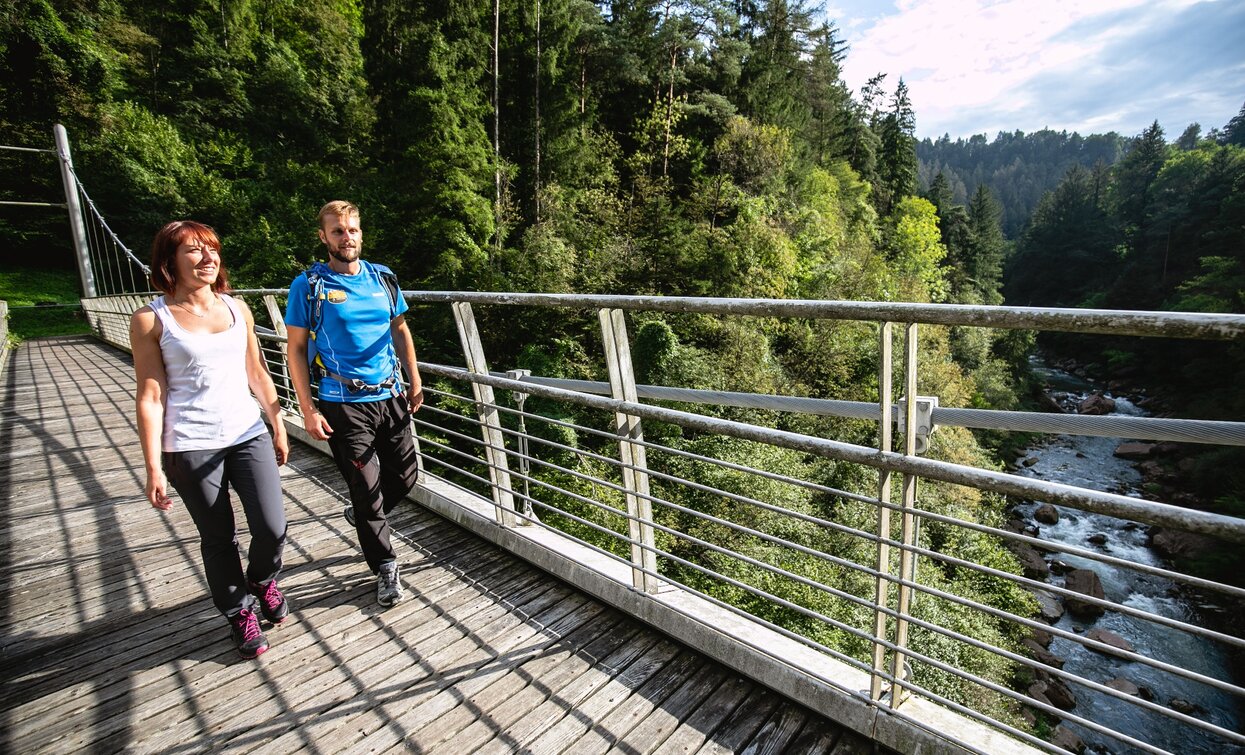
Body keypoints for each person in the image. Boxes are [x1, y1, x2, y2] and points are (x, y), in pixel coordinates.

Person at [131, 220, 291, 660]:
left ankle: (262, 579)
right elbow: (150, 394)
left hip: (246, 431)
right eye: (193, 252)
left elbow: (256, 371)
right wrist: (152, 467)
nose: (207, 259)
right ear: (168, 262)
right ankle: (239, 610)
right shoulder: (151, 319)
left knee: (272, 527)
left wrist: (276, 422)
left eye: (212, 250)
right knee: (219, 536)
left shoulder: (237, 308)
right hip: (189, 441)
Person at [284, 200, 423, 608]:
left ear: (361, 233)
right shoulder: (309, 286)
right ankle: (385, 565)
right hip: (342, 401)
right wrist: (307, 408)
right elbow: (295, 350)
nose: (347, 238)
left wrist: (414, 378)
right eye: (339, 231)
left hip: (390, 392)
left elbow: (400, 330)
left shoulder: (383, 279)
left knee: (406, 475)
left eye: (353, 230)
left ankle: (364, 512)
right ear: (323, 237)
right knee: (364, 485)